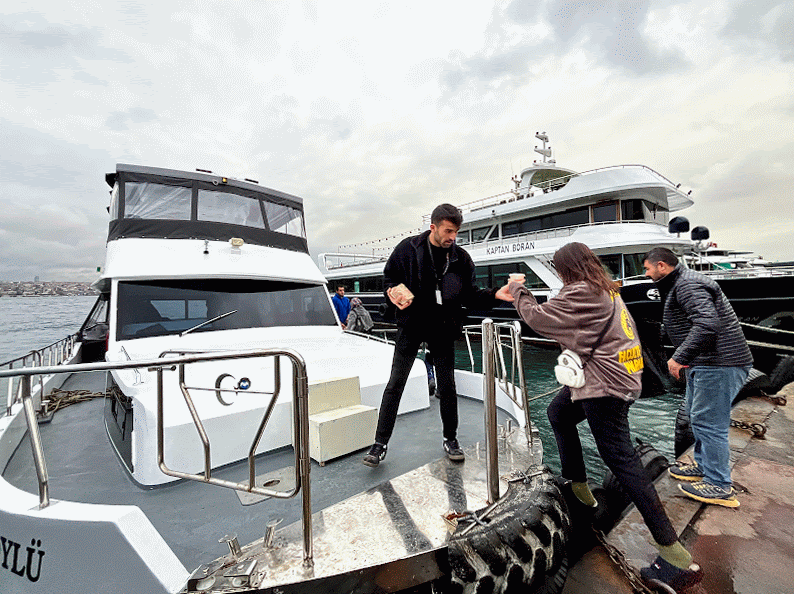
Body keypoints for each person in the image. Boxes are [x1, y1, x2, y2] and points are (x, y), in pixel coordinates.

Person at [497, 242, 702, 593]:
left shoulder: (580, 291)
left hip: (605, 386)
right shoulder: (605, 289)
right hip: (617, 377)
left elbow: (538, 319)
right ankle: (581, 493)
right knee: (558, 413)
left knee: (622, 461)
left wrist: (517, 289)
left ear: (566, 269)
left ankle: (677, 558)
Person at [363, 203, 511, 467]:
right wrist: (392, 292)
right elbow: (389, 278)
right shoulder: (407, 249)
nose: (453, 237)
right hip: (411, 324)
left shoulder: (460, 258)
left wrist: (495, 294)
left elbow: (470, 295)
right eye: (448, 231)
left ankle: (450, 439)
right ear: (433, 227)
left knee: (447, 386)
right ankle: (379, 444)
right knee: (395, 384)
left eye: (456, 232)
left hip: (443, 326)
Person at [643, 247, 752, 508]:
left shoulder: (687, 285)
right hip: (707, 363)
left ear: (661, 265)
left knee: (708, 422)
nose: (645, 274)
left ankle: (719, 485)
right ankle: (704, 467)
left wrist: (679, 356)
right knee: (696, 416)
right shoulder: (681, 282)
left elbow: (707, 324)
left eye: (647, 268)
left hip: (719, 364)